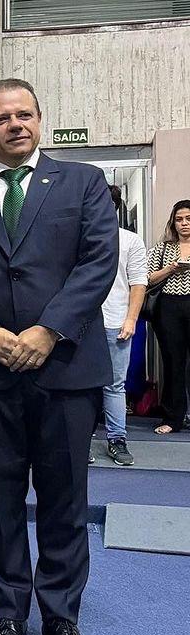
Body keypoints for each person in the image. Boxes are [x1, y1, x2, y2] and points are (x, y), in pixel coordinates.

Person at [0, 78, 117, 635]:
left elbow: (99, 260)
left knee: (66, 501)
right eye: (1, 119)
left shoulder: (84, 183)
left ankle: (62, 619)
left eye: (25, 115)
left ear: (40, 120)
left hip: (65, 366)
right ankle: (8, 615)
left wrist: (49, 330)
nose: (15, 125)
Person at [96, 185, 146, 464]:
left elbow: (139, 283)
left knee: (115, 385)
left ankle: (117, 439)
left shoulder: (129, 241)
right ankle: (81, 440)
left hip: (116, 321)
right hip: (81, 323)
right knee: (80, 386)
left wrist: (131, 319)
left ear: (114, 207)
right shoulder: (79, 237)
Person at [146, 199, 190, 435]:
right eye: (179, 219)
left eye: (188, 219)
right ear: (173, 222)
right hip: (169, 307)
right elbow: (148, 279)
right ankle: (173, 417)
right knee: (173, 363)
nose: (184, 224)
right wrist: (171, 269)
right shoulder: (162, 248)